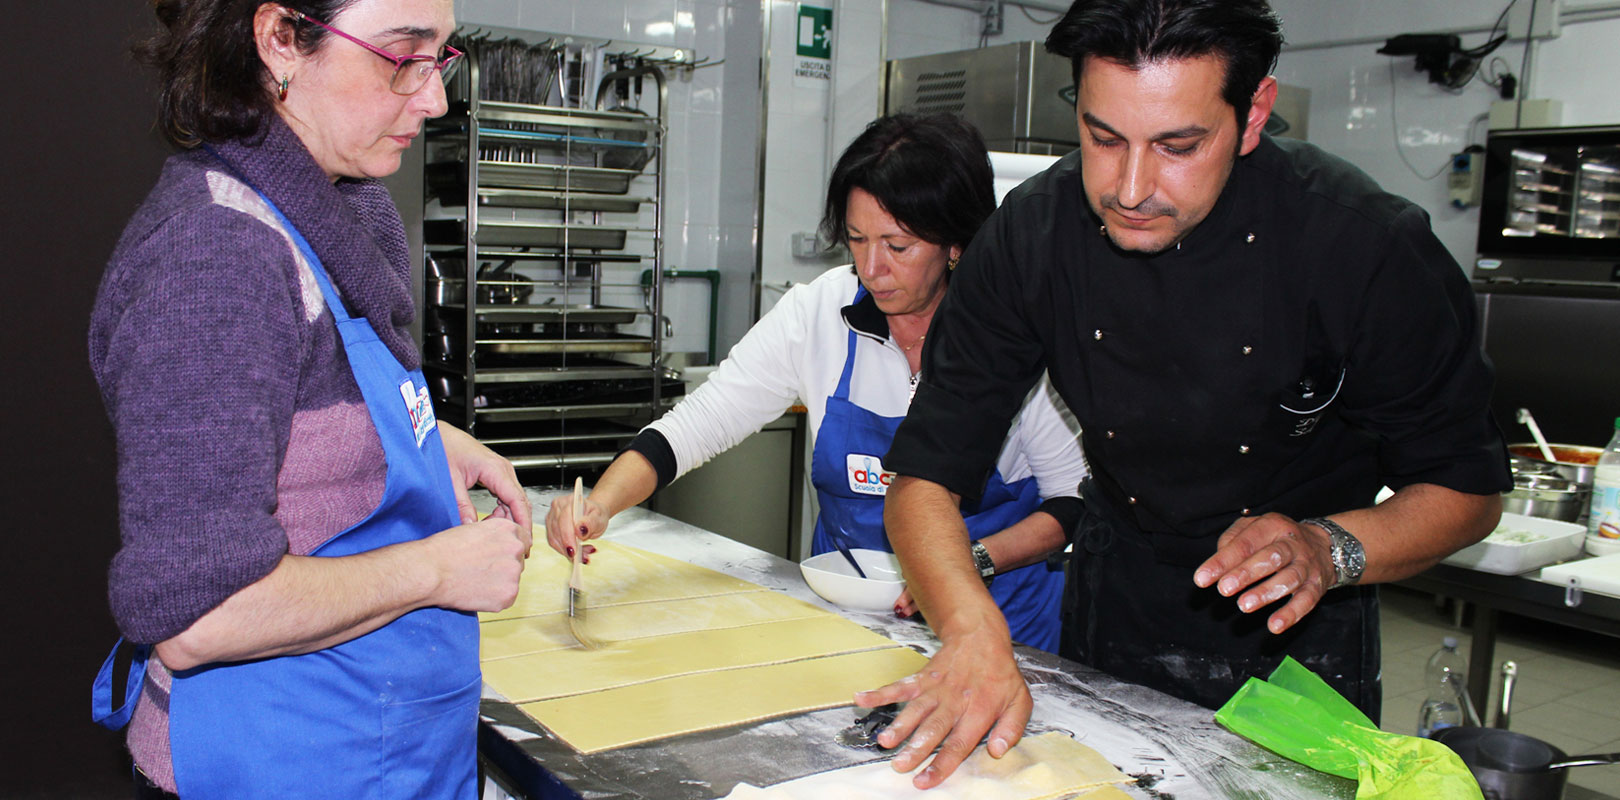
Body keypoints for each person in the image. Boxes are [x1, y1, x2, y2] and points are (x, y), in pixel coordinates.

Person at [861, 0, 1512, 788]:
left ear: (1253, 115)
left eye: (1178, 146)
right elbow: (924, 477)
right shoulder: (1032, 236)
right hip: (1117, 604)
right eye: (1104, 138)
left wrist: (1326, 548)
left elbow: (1466, 489)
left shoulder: (1361, 246)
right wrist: (970, 629)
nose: (1131, 187)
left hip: (1299, 634)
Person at [87, 2, 534, 797]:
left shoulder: (334, 216)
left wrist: (429, 443)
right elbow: (200, 616)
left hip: (376, 750)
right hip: (275, 762)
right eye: (402, 57)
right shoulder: (217, 257)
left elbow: (299, 417)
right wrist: (436, 570)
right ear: (281, 40)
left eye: (440, 56)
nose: (435, 99)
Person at [546, 113, 1087, 653]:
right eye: (857, 239)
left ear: (956, 244)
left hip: (1002, 631)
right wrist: (600, 505)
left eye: (897, 246)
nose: (872, 268)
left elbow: (1072, 503)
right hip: (848, 623)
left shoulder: (1010, 333)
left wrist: (961, 564)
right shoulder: (820, 314)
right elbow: (696, 425)